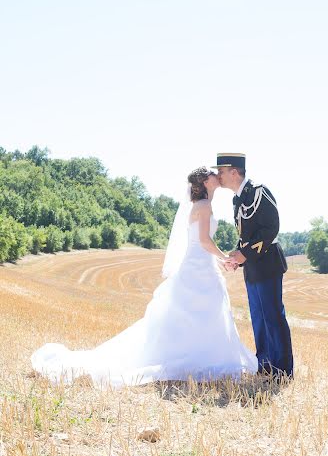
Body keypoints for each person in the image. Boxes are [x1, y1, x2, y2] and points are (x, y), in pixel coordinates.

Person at [30, 166, 257, 388]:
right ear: (205, 182)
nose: (217, 174)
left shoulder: (199, 204)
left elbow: (199, 243)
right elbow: (205, 242)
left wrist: (218, 260)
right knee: (205, 310)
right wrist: (225, 257)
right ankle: (202, 358)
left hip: (198, 263)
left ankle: (196, 357)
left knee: (194, 312)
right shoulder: (205, 205)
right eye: (212, 173)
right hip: (199, 266)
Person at [213, 153, 294, 380]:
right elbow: (246, 235)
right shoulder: (237, 199)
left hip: (267, 263)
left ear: (234, 172)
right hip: (252, 266)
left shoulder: (259, 191)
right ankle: (265, 365)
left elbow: (271, 228)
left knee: (273, 316)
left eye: (221, 171)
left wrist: (245, 254)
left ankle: (283, 371)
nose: (218, 175)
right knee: (258, 318)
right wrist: (237, 256)